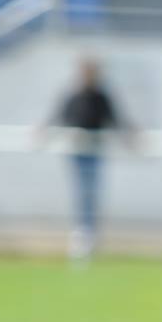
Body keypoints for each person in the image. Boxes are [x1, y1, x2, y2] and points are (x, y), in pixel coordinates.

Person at [42, 56, 130, 261]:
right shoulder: (74, 95)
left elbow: (115, 119)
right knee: (81, 192)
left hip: (95, 151)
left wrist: (130, 137)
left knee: (90, 192)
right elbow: (61, 116)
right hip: (77, 150)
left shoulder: (101, 97)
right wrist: (45, 131)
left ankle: (89, 234)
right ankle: (81, 233)